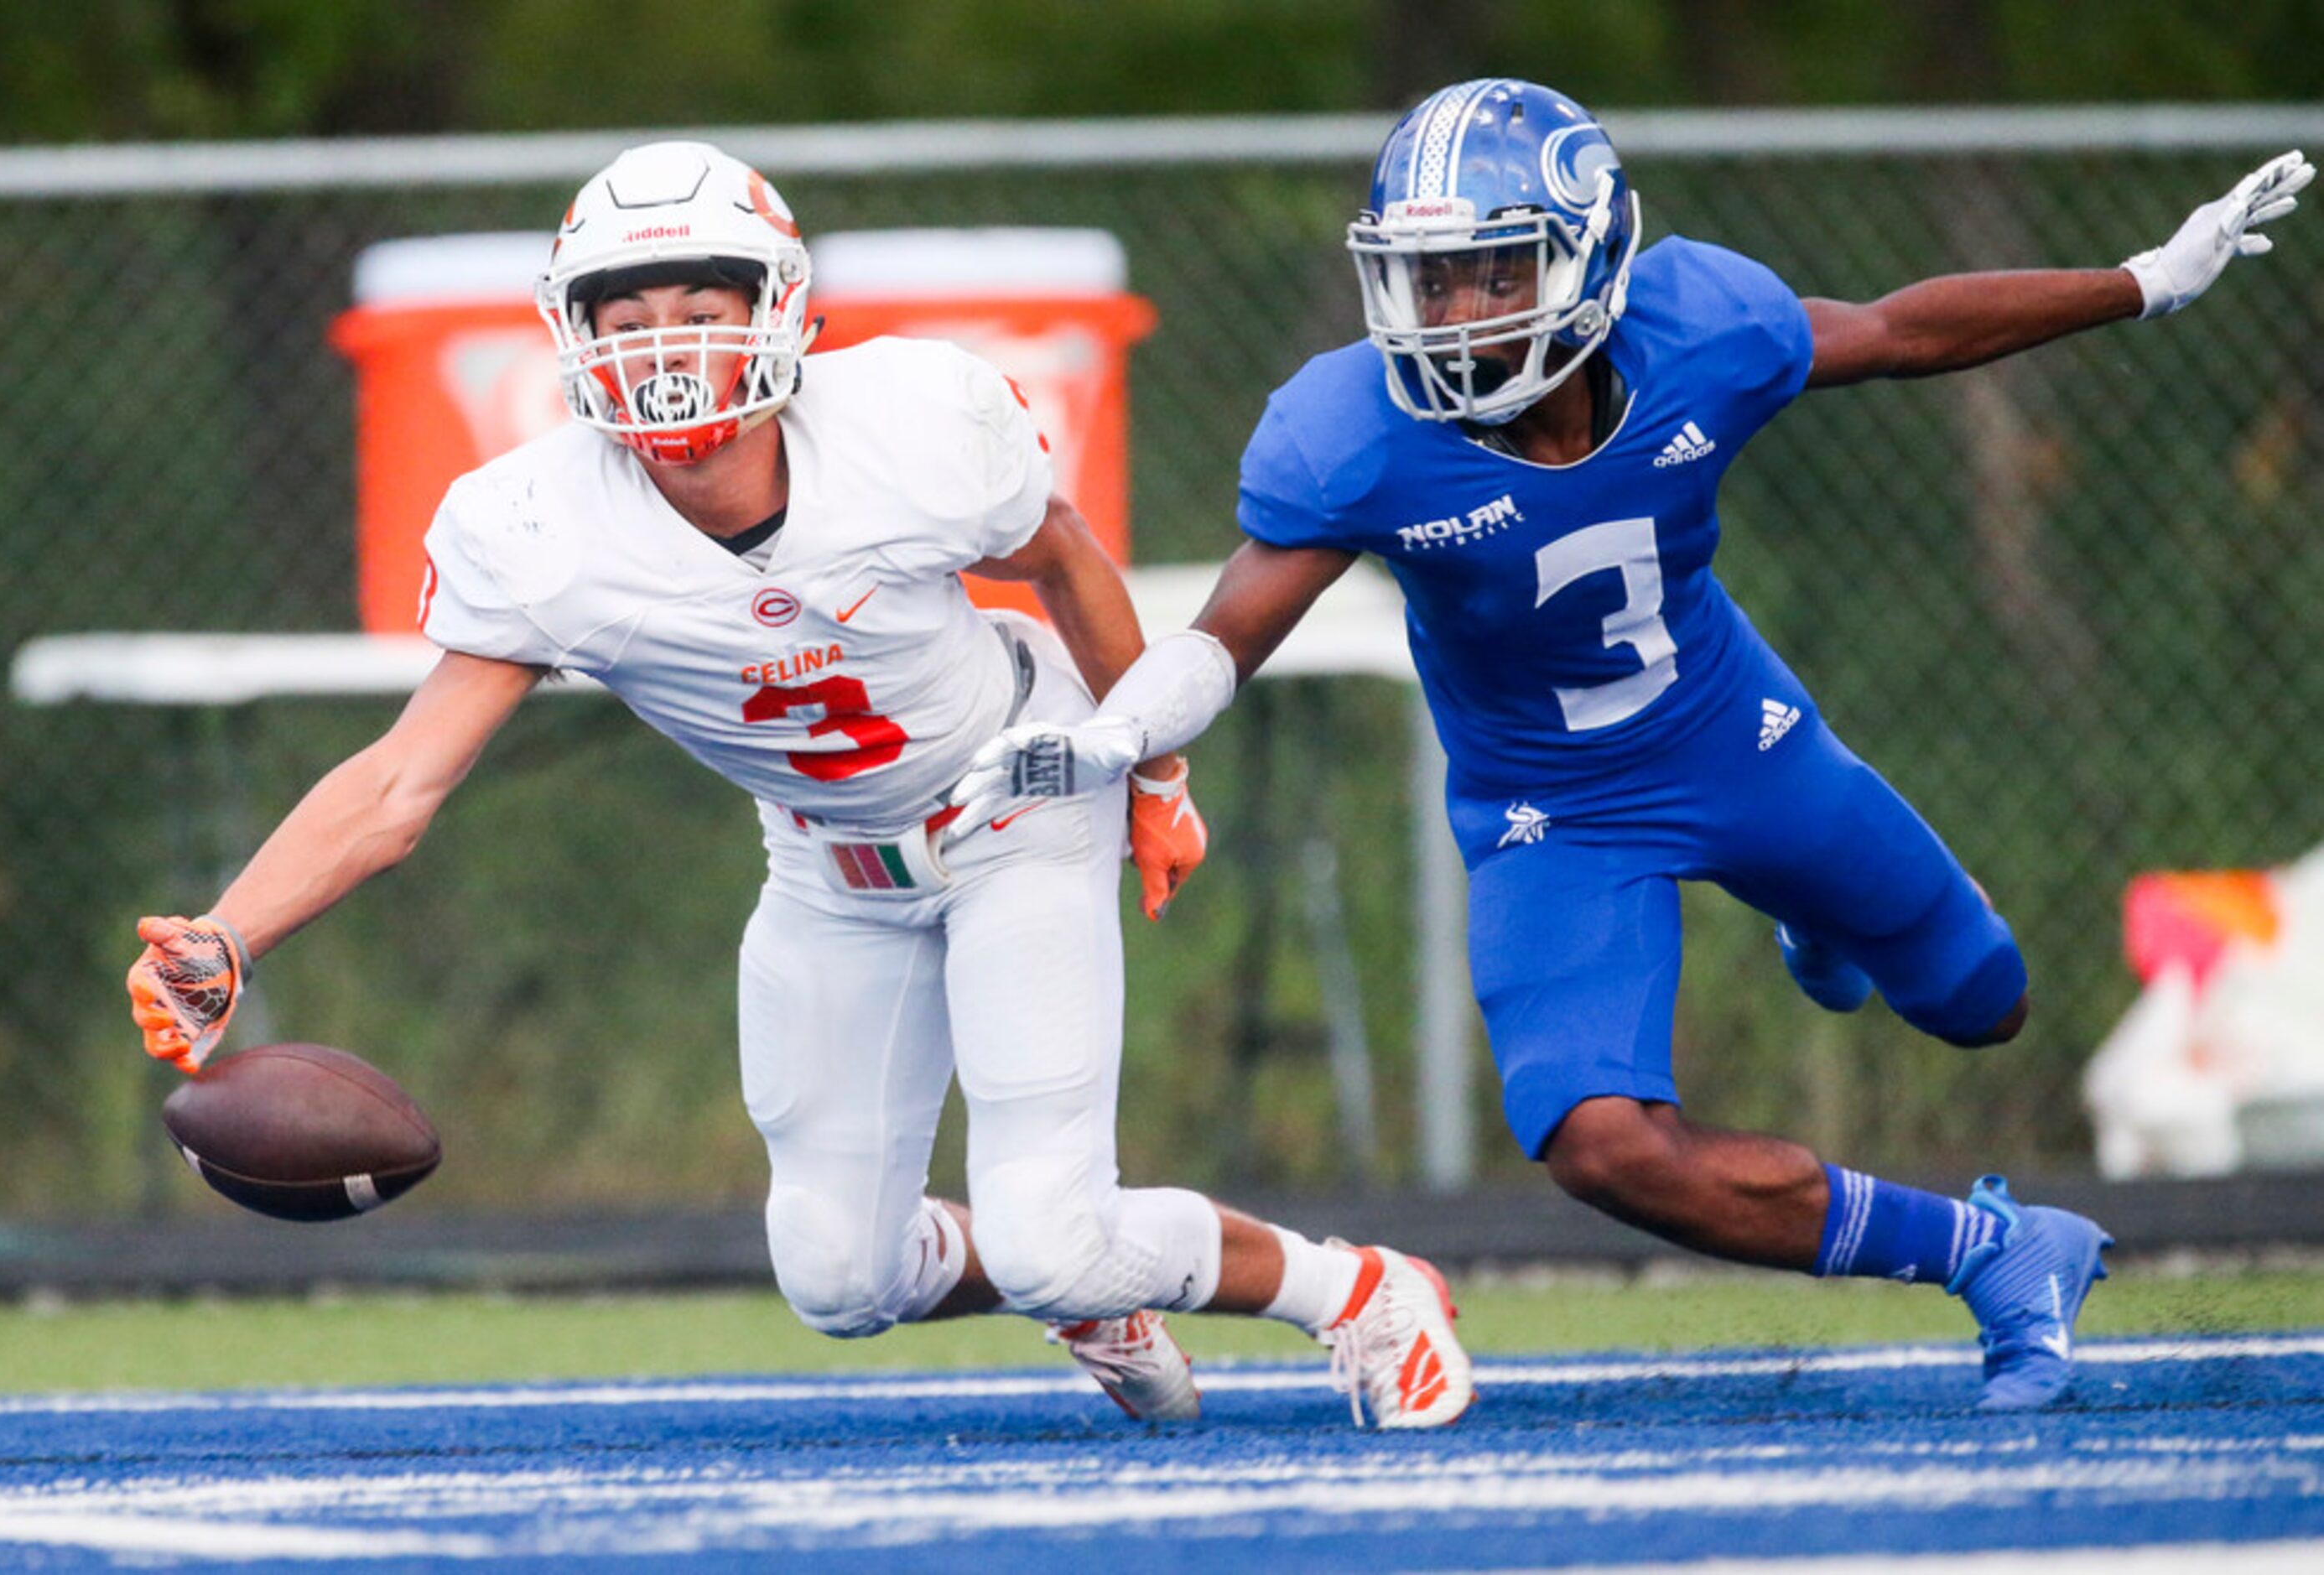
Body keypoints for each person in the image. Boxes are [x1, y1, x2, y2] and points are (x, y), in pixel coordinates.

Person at [953, 79, 2312, 1412]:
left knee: (1983, 999)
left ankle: (1813, 924)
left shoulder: (1695, 327)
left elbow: (1900, 329)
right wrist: (1117, 731)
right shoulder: (1357, 432)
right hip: (1552, 812)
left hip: (1735, 736)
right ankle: (1992, 1250)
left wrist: (2142, 278)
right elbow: (1227, 634)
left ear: (1589, 253)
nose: (1451, 315)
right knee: (1601, 1148)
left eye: (1489, 273)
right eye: (1425, 280)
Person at [123, 140, 1471, 1431]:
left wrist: (1152, 766)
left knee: (1055, 1235)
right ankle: (1081, 1292)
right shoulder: (538, 530)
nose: (666, 344)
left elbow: (1062, 561)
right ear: (573, 332)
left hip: (1014, 800)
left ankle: (1357, 1288)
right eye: (629, 312)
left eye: (701, 306)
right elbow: (398, 780)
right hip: (829, 861)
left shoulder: (911, 419)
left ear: (777, 311)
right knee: (840, 1280)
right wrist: (227, 932)